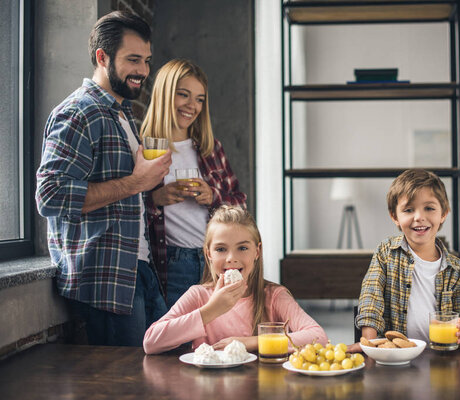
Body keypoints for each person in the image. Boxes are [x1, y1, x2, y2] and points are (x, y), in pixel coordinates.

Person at [36, 11, 170, 346]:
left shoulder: (122, 112)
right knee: (124, 386)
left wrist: (151, 182)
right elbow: (50, 196)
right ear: (102, 57)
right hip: (105, 283)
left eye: (147, 60)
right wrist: (136, 183)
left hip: (138, 270)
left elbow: (128, 192)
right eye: (133, 60)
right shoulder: (78, 112)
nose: (143, 71)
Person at [143, 205, 328, 354]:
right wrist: (211, 310)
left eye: (242, 248)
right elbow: (151, 342)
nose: (231, 258)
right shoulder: (198, 295)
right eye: (221, 249)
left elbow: (318, 337)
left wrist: (250, 342)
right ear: (208, 254)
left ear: (257, 251)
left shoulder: (273, 296)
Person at [141, 59, 247, 309]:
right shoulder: (144, 149)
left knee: (216, 340)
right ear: (165, 95)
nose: (193, 106)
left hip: (215, 261)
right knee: (178, 342)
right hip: (172, 262)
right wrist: (156, 199)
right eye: (183, 95)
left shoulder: (210, 149)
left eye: (199, 99)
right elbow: (126, 211)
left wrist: (213, 196)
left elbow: (240, 206)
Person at [351, 169, 460, 351]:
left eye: (429, 208)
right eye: (409, 210)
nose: (419, 217)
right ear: (395, 216)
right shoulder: (386, 253)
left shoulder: (457, 269)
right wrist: (369, 346)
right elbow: (371, 300)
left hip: (442, 357)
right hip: (396, 358)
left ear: (443, 213)